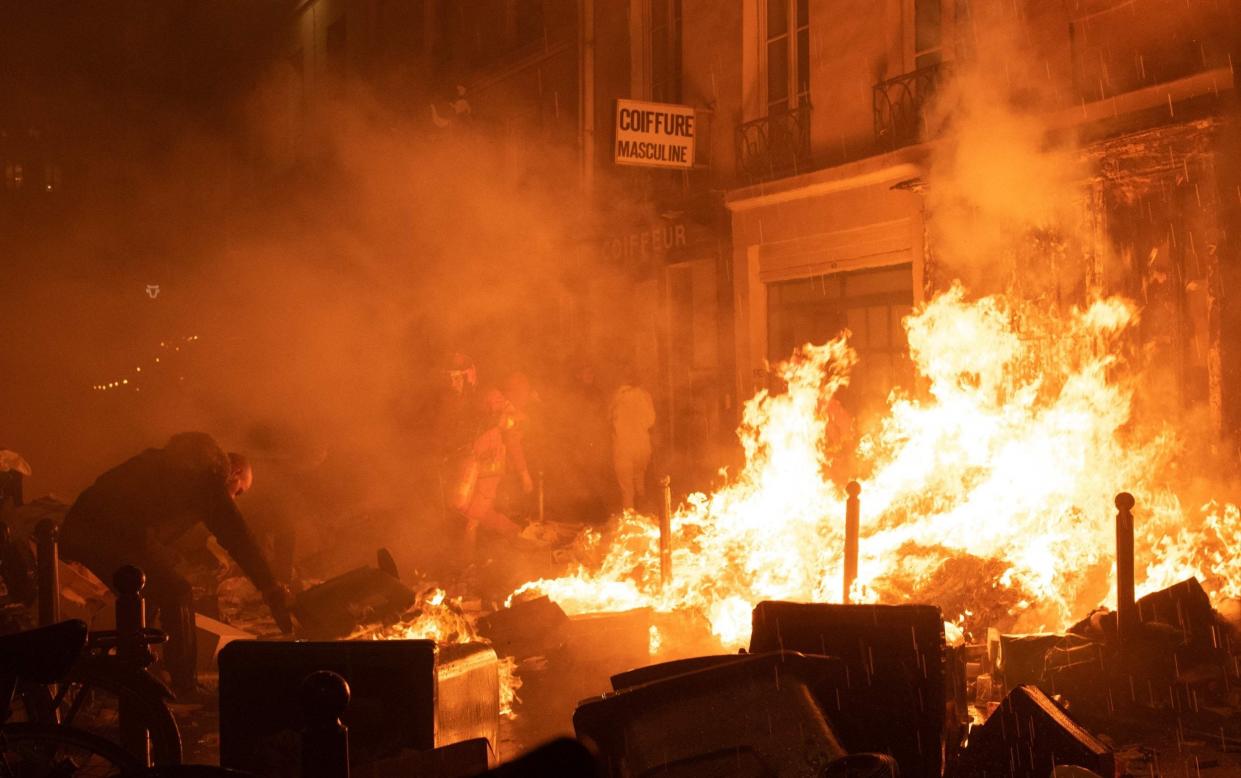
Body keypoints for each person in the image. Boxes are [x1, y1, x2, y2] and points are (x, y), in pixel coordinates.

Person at [59, 432, 292, 697]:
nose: (234, 499)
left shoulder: (163, 466)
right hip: (102, 536)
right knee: (177, 591)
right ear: (232, 473)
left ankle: (135, 674)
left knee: (148, 590)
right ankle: (183, 683)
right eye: (239, 491)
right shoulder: (206, 481)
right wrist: (270, 588)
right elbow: (238, 536)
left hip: (86, 531)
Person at [609, 366, 656, 512]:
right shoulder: (645, 395)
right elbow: (651, 421)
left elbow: (609, 419)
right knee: (639, 481)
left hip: (623, 448)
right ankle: (643, 514)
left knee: (627, 490)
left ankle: (630, 521)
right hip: (642, 447)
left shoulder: (617, 397)